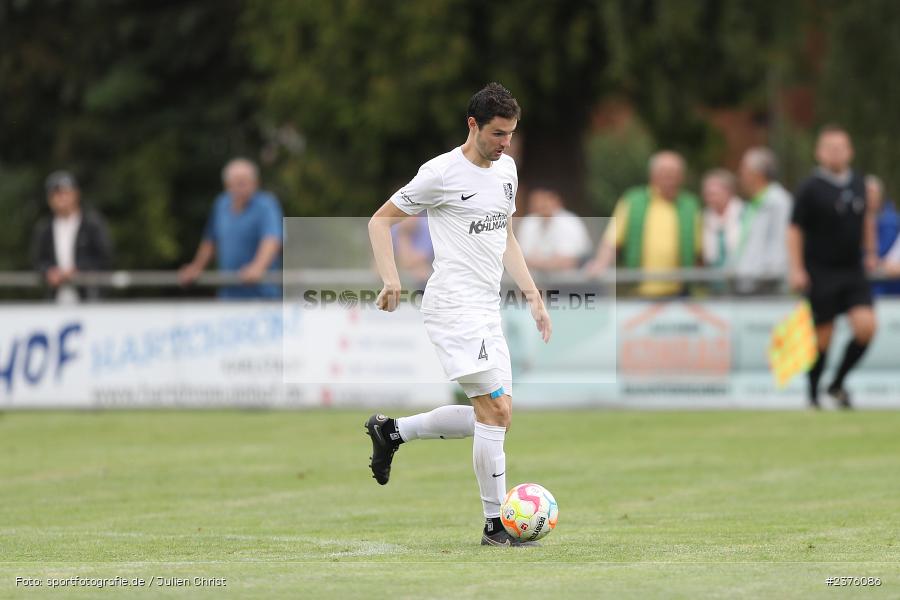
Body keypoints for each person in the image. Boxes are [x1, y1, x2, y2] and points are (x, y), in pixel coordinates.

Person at [365, 83, 552, 547]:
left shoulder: (506, 170)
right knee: (495, 410)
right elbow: (380, 220)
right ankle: (495, 525)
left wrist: (531, 292)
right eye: (497, 133)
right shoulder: (441, 173)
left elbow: (505, 235)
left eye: (511, 134)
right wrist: (391, 279)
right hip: (453, 307)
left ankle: (392, 431)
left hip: (487, 308)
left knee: (495, 418)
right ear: (473, 125)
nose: (506, 143)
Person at [788, 125, 877, 409]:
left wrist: (871, 252)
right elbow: (794, 230)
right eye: (830, 148)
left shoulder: (859, 183)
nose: (836, 153)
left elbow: (867, 219)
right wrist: (796, 268)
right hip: (820, 270)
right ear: (819, 152)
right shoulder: (809, 188)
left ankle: (837, 383)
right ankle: (813, 394)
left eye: (841, 147)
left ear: (850, 151)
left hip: (852, 269)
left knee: (866, 327)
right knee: (822, 337)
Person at [585, 151, 701, 297]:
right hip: (640, 290)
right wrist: (600, 264)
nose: (670, 178)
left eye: (674, 173)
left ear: (682, 177)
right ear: (652, 175)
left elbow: (699, 250)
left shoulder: (690, 205)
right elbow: (612, 240)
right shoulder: (633, 201)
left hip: (680, 292)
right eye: (664, 173)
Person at [179, 158, 283, 299]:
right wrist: (196, 267)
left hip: (262, 295)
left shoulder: (266, 205)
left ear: (255, 183)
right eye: (238, 183)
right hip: (228, 295)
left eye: (245, 183)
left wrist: (258, 267)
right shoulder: (221, 204)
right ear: (227, 185)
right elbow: (210, 241)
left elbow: (272, 239)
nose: (242, 188)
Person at [30, 171, 113, 303]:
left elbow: (104, 257)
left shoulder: (92, 224)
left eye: (65, 193)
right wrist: (49, 272)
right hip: (56, 298)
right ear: (49, 199)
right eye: (56, 194)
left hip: (89, 297)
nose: (61, 198)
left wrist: (78, 270)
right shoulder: (44, 228)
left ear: (76, 194)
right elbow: (39, 260)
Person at [733, 147, 792, 294]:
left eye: (744, 170)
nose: (740, 175)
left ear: (757, 174)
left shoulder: (779, 201)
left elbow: (781, 241)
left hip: (766, 284)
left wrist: (770, 276)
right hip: (748, 283)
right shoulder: (752, 204)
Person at [515, 187, 592, 272]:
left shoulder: (570, 222)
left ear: (556, 201)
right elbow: (521, 259)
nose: (540, 204)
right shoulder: (528, 223)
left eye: (545, 200)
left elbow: (568, 262)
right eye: (537, 201)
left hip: (572, 279)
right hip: (536, 279)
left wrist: (539, 262)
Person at [700, 169, 742, 269]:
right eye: (707, 194)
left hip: (740, 272)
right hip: (714, 274)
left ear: (728, 192)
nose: (709, 199)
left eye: (713, 194)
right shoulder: (704, 217)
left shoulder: (745, 213)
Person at [867, 175, 900, 296]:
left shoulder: (895, 222)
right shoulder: (849, 225)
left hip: (894, 294)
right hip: (863, 296)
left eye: (873, 193)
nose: (870, 197)